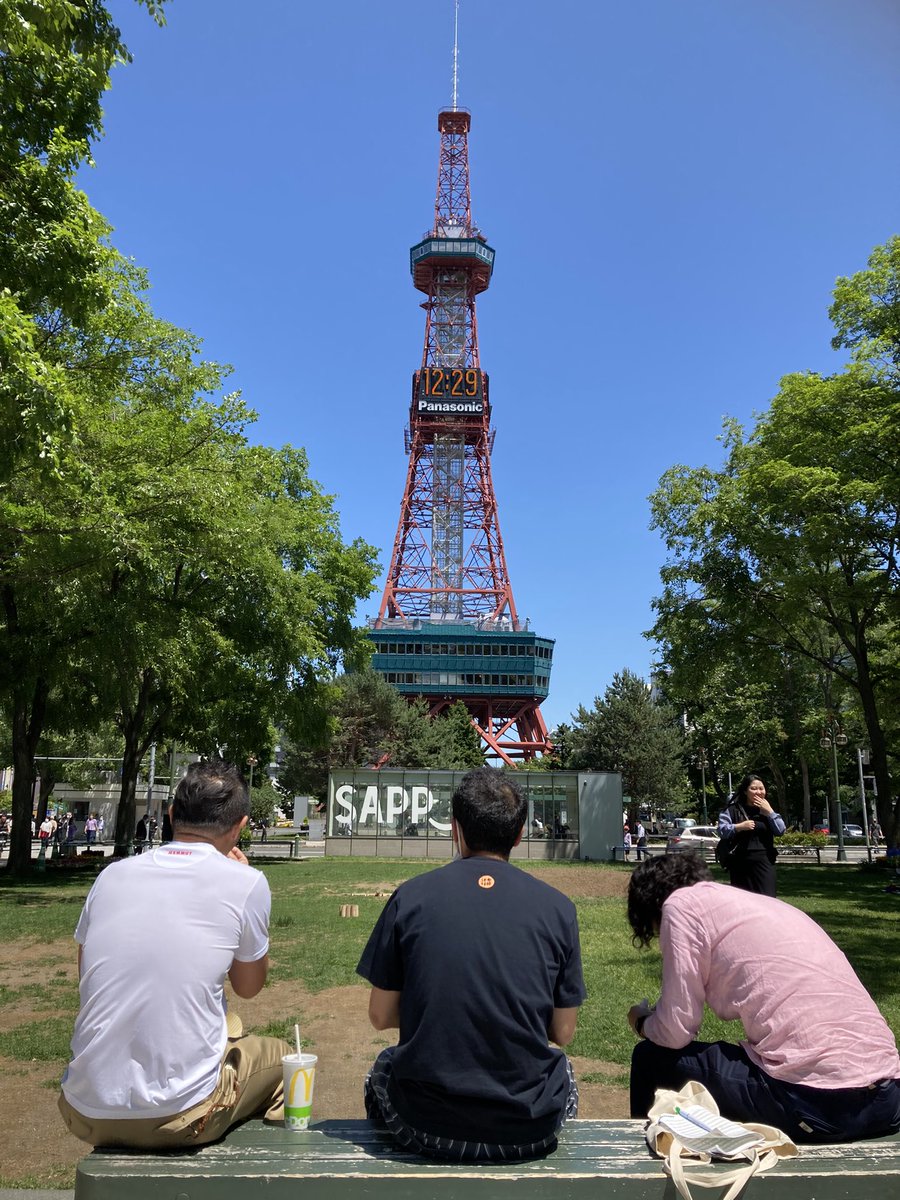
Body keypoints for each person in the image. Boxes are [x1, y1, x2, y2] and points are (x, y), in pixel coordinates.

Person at [58, 759, 290, 1149]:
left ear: (170, 815)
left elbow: (86, 975)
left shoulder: (111, 875)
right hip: (181, 1112)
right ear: (240, 827)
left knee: (227, 1025)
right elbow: (249, 986)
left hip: (84, 1108)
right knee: (285, 1059)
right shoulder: (246, 883)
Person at [357, 766, 585, 1161]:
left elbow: (380, 1016)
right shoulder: (559, 908)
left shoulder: (410, 898)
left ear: (454, 828)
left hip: (425, 1127)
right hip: (527, 1130)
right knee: (563, 1072)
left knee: (383, 1066)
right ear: (519, 833)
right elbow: (562, 1033)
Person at [626, 853, 900, 1143]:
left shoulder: (680, 905)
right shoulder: (767, 906)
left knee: (650, 1058)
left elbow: (675, 1031)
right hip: (888, 1098)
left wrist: (641, 1021)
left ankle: (642, 1172)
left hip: (818, 1105)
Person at [717, 774, 785, 896]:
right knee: (743, 901)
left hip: (764, 860)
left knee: (768, 898)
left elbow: (780, 830)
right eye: (753, 788)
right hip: (740, 861)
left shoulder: (767, 810)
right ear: (745, 791)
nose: (758, 792)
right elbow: (722, 830)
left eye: (761, 788)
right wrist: (739, 827)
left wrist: (770, 812)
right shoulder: (733, 810)